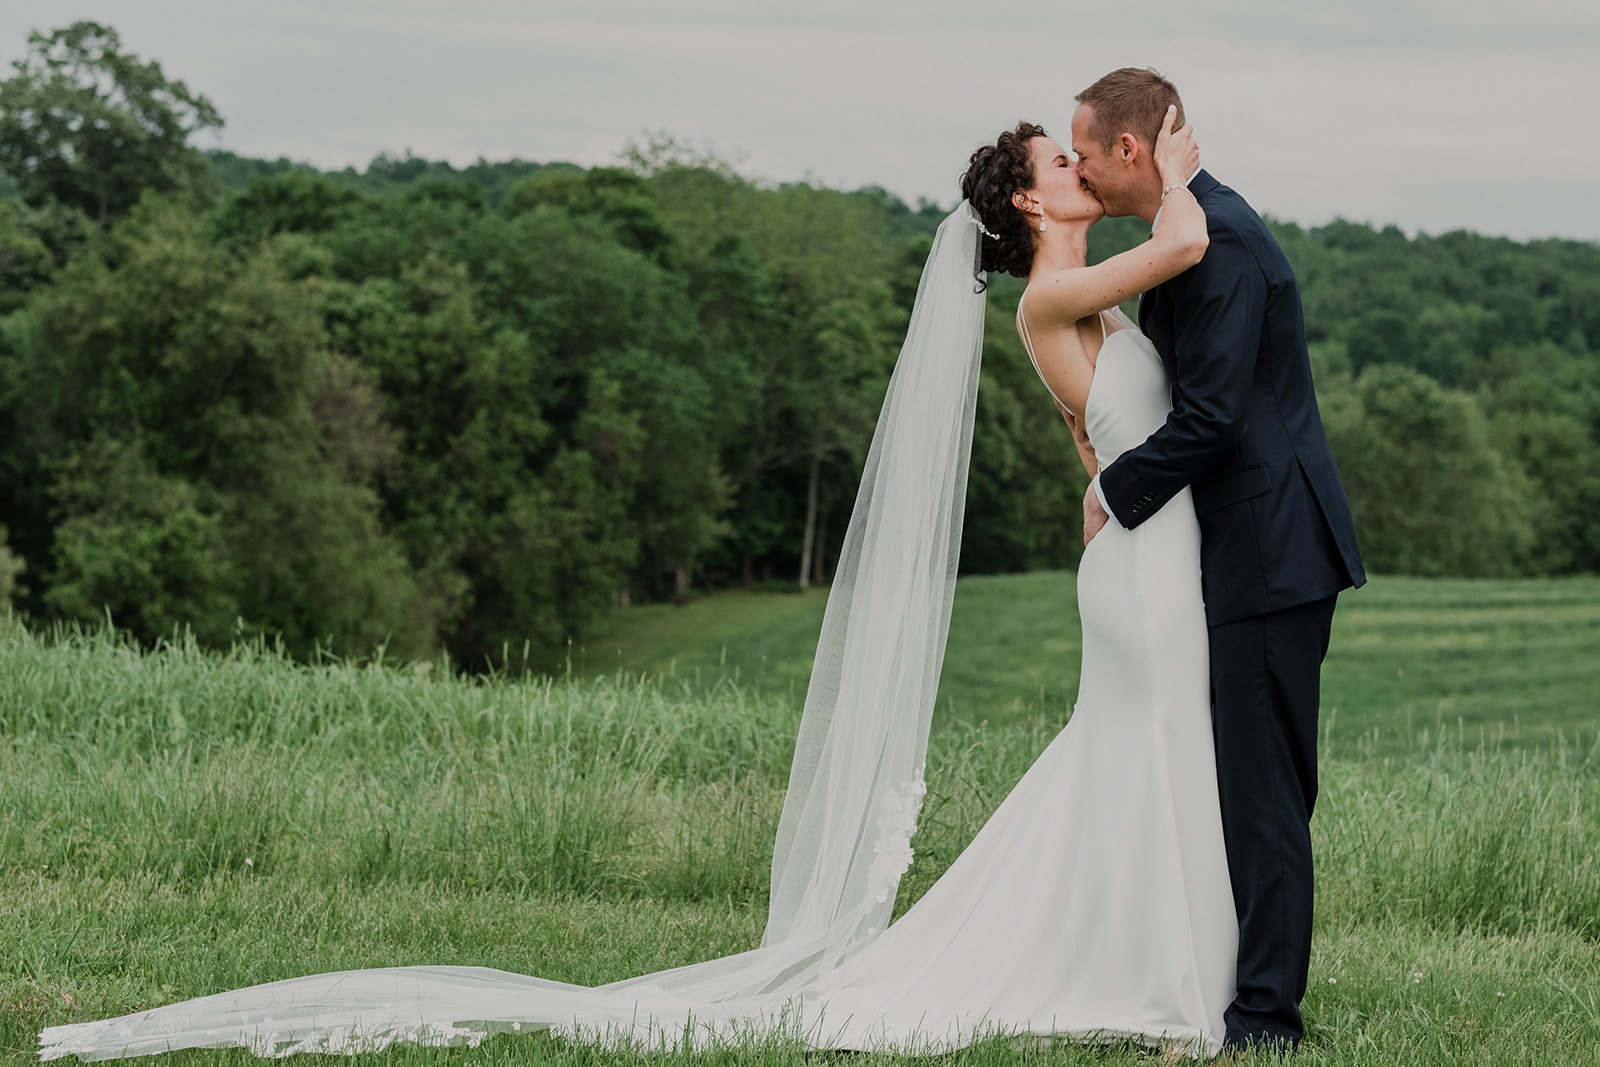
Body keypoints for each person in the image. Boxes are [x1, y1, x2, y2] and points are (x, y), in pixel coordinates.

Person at [41, 110, 1241, 1063]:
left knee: (1130, 758)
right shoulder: (1049, 293)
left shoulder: (1084, 295)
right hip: (1138, 577)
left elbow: (1101, 434)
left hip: (1137, 550)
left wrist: (1096, 479)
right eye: (1059, 158)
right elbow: (1182, 243)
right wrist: (1176, 157)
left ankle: (1143, 966)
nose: (1080, 163)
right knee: (1129, 750)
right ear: (1030, 198)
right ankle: (1151, 978)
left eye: (1081, 152)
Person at [1068, 68, 1367, 1053]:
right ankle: (1246, 986)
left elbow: (1212, 415)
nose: (1078, 168)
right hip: (1249, 543)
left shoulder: (1222, 241)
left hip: (1270, 547)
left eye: (1085, 149)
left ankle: (1265, 1019)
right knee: (1251, 781)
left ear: (1129, 149)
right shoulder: (1188, 233)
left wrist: (1112, 491)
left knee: (1263, 788)